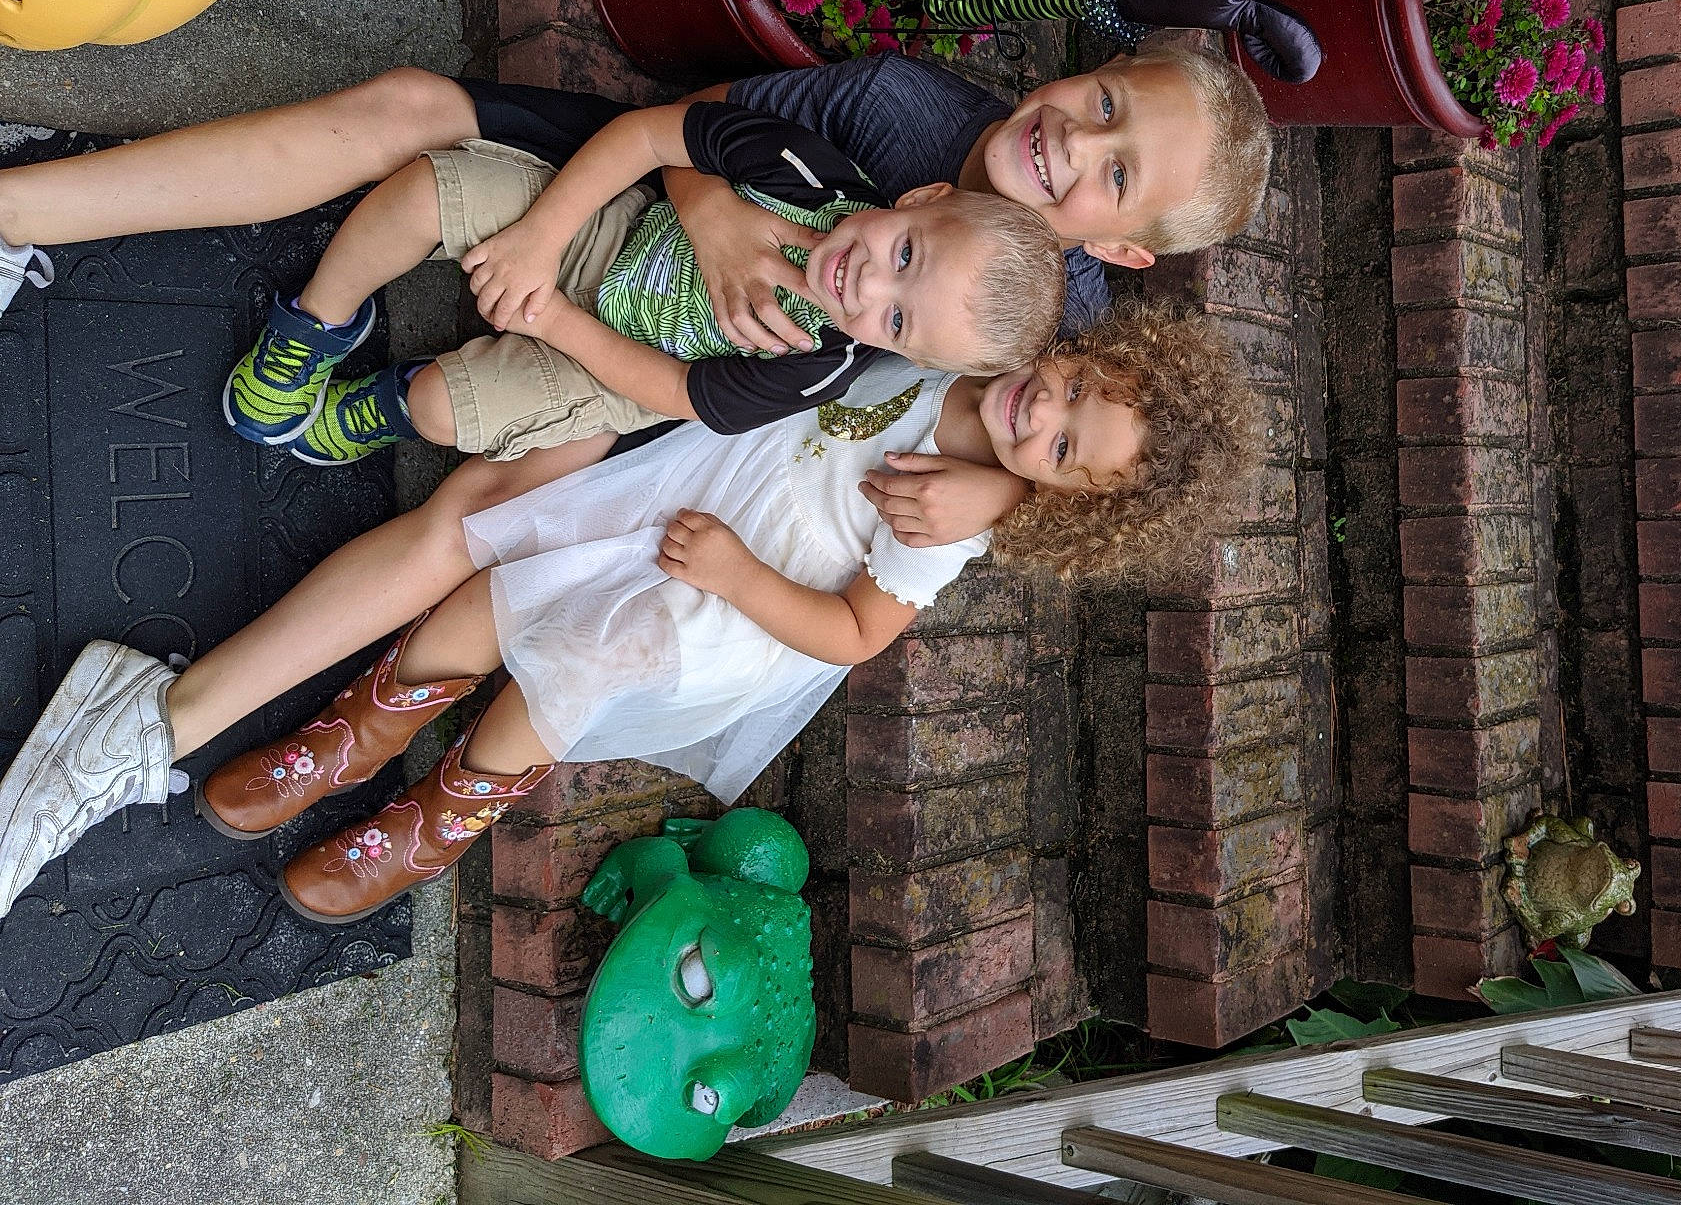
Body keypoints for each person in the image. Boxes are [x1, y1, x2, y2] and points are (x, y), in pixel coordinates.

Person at [0, 301, 1257, 922]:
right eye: (1076, 383)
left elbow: (855, 634)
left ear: (1070, 503)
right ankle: (350, 739)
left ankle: (438, 819)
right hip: (677, 485)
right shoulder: (984, 336)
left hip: (716, 598)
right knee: (488, 601)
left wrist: (740, 582)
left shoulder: (957, 521)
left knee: (549, 694)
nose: (1042, 408)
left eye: (1064, 442)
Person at [0, 47, 1272, 539]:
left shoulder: (1055, 330)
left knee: (513, 483)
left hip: (670, 371)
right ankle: (21, 214)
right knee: (397, 120)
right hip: (641, 181)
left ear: (1117, 255)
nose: (1071, 148)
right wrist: (711, 213)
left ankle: (367, 431)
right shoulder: (912, 113)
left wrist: (997, 486)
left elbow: (1079, 441)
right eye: (1102, 107)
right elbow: (686, 129)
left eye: (1114, 178)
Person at [222, 101, 1064, 465]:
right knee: (423, 192)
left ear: (894, 351)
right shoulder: (807, 169)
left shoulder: (817, 365)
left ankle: (385, 405)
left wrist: (549, 318)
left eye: (897, 320)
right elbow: (648, 138)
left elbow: (673, 389)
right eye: (908, 254)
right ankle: (311, 330)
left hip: (611, 363)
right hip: (609, 232)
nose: (870, 284)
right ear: (919, 200)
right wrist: (540, 239)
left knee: (449, 410)